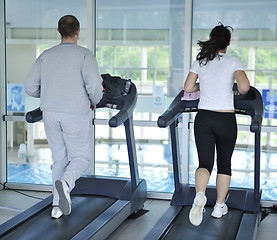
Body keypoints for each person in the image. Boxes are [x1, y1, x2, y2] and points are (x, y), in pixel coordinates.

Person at [24, 15, 103, 219]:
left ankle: (57, 207)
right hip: (75, 111)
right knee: (81, 157)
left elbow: (30, 87)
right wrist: (94, 100)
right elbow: (94, 87)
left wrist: (52, 93)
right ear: (78, 31)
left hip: (50, 112)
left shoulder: (46, 55)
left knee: (59, 158)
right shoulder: (85, 55)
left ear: (59, 31)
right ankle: (66, 184)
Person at [184, 23, 250, 226]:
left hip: (203, 118)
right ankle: (219, 207)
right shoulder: (233, 61)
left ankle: (200, 195)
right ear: (228, 43)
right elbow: (245, 87)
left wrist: (203, 85)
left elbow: (187, 88)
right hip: (225, 119)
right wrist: (232, 87)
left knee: (205, 163)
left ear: (212, 40)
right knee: (224, 164)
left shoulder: (201, 61)